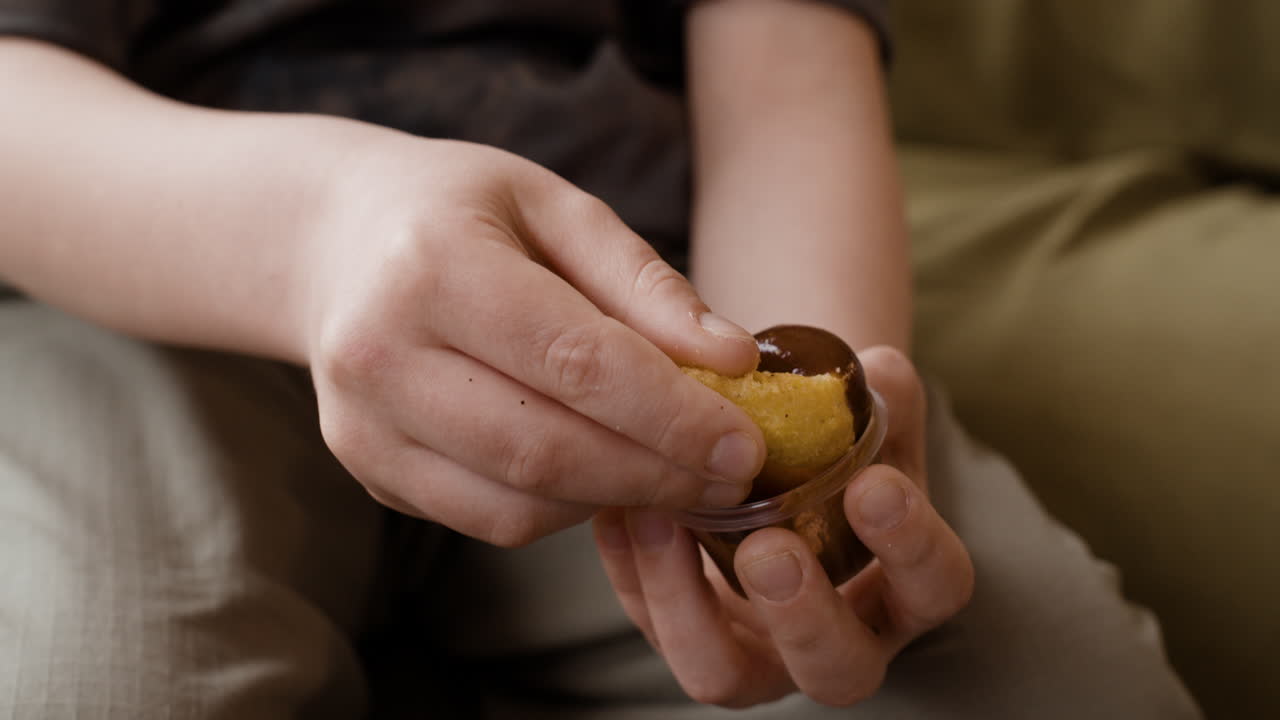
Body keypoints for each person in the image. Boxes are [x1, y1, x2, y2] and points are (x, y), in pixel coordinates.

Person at [0, 1, 1200, 718]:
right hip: (146, 283)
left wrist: (793, 500)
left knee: (1048, 690)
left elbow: (784, 87)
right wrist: (318, 238)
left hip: (648, 312)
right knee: (89, 681)